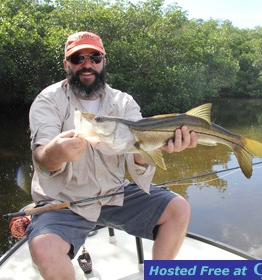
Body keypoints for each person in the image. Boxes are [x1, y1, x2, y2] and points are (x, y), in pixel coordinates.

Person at [26, 31, 197, 280]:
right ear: (67, 64)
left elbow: (138, 154)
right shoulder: (48, 101)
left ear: (103, 61)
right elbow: (42, 157)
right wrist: (57, 153)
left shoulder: (123, 102)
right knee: (43, 248)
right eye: (78, 59)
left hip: (114, 194)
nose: (87, 65)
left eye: (94, 58)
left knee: (178, 208)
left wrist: (150, 150)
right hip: (64, 201)